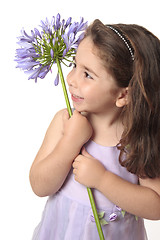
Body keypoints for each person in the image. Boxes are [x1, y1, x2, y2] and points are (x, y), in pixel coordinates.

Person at [30, 19, 160, 240]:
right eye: (74, 65)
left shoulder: (138, 137)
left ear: (123, 95)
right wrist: (69, 143)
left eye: (87, 74)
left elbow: (155, 206)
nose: (71, 80)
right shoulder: (65, 122)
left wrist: (102, 180)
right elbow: (39, 185)